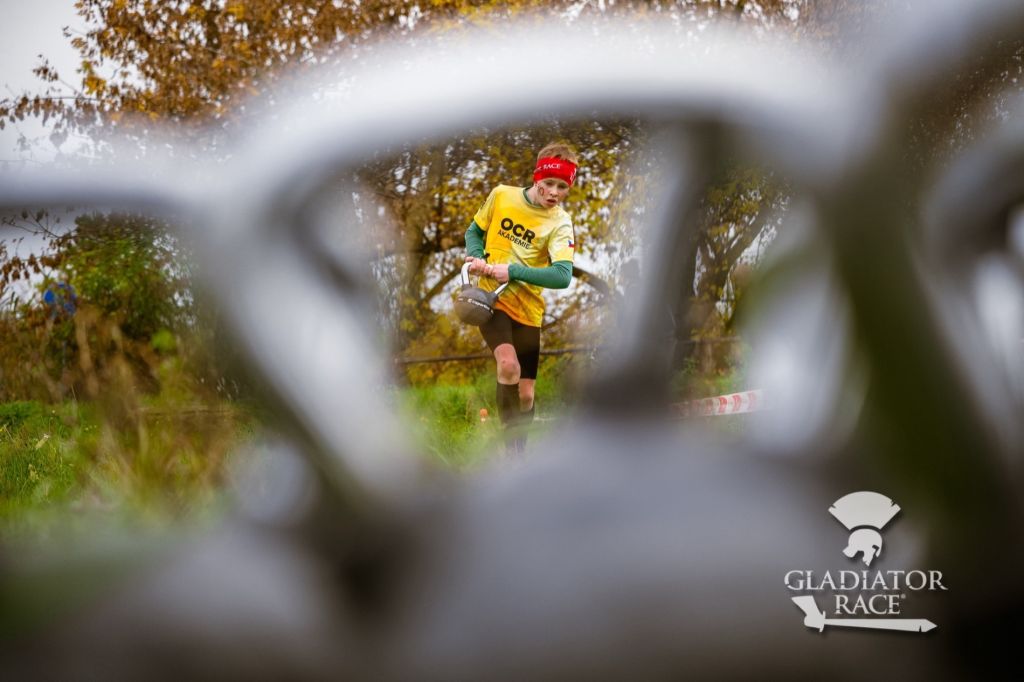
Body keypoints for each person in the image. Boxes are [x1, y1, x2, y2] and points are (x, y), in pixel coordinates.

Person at [464, 142, 578, 454]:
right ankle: (509, 454)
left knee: (526, 395)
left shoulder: (560, 222)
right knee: (508, 365)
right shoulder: (502, 195)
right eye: (549, 184)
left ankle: (520, 451)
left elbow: (562, 276)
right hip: (491, 300)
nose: (554, 193)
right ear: (537, 177)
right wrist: (477, 256)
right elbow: (474, 232)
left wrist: (512, 271)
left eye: (562, 187)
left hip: (529, 310)